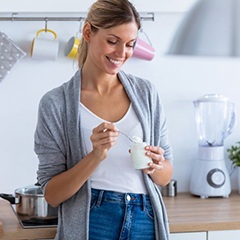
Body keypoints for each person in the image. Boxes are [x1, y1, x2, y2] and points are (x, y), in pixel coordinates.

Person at [34, 0, 173, 239]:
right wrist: (95, 155)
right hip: (93, 219)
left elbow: (166, 175)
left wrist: (156, 165)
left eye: (130, 45)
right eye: (112, 41)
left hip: (145, 217)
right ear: (88, 32)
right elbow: (52, 194)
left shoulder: (146, 93)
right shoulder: (55, 104)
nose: (121, 54)